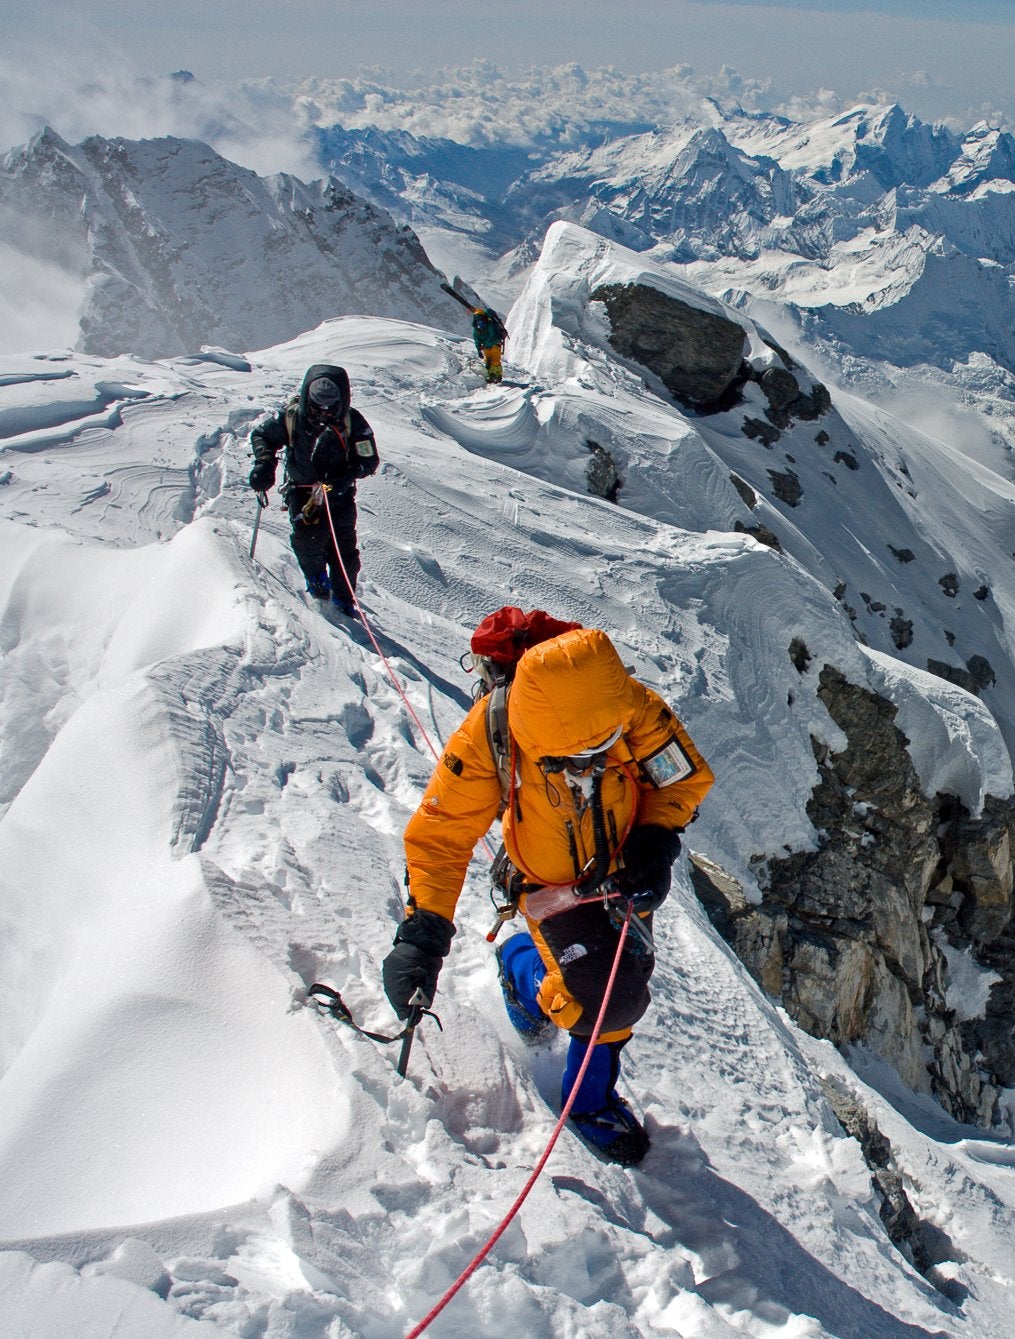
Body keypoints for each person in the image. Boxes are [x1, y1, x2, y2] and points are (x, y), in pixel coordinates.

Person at [383, 611, 715, 1165]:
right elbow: (441, 834)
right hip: (549, 884)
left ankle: (522, 970)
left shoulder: (632, 708)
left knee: (628, 976)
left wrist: (656, 840)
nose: (586, 765)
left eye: (600, 749)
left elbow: (680, 779)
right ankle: (584, 1095)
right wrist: (422, 933)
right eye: (566, 760)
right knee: (606, 1001)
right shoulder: (493, 731)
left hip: (622, 870)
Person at [248, 365, 379, 617]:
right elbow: (262, 436)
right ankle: (318, 582)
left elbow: (369, 459)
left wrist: (347, 475)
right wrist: (264, 463)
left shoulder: (354, 422)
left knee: (344, 551)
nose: (324, 411)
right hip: (303, 491)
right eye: (319, 404)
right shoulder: (291, 417)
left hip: (338, 493)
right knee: (308, 541)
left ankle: (344, 600)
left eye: (331, 405)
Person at [471, 306, 507, 385]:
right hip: (489, 345)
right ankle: (493, 375)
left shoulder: (487, 326)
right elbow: (477, 340)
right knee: (489, 360)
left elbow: (481, 339)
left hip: (495, 343)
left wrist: (480, 348)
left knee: (494, 360)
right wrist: (479, 350)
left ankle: (495, 375)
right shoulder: (488, 324)